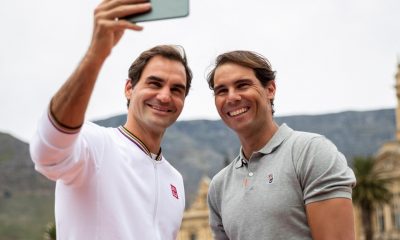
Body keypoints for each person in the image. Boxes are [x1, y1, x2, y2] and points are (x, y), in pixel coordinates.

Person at [29, 0, 192, 239]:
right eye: (154, 83)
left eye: (177, 89)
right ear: (129, 88)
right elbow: (47, 152)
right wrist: (96, 54)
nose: (165, 96)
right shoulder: (96, 144)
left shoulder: (175, 180)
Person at [206, 50, 356, 240]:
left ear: (270, 89)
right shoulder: (219, 186)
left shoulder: (311, 153)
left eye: (242, 85)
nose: (232, 97)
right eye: (222, 91)